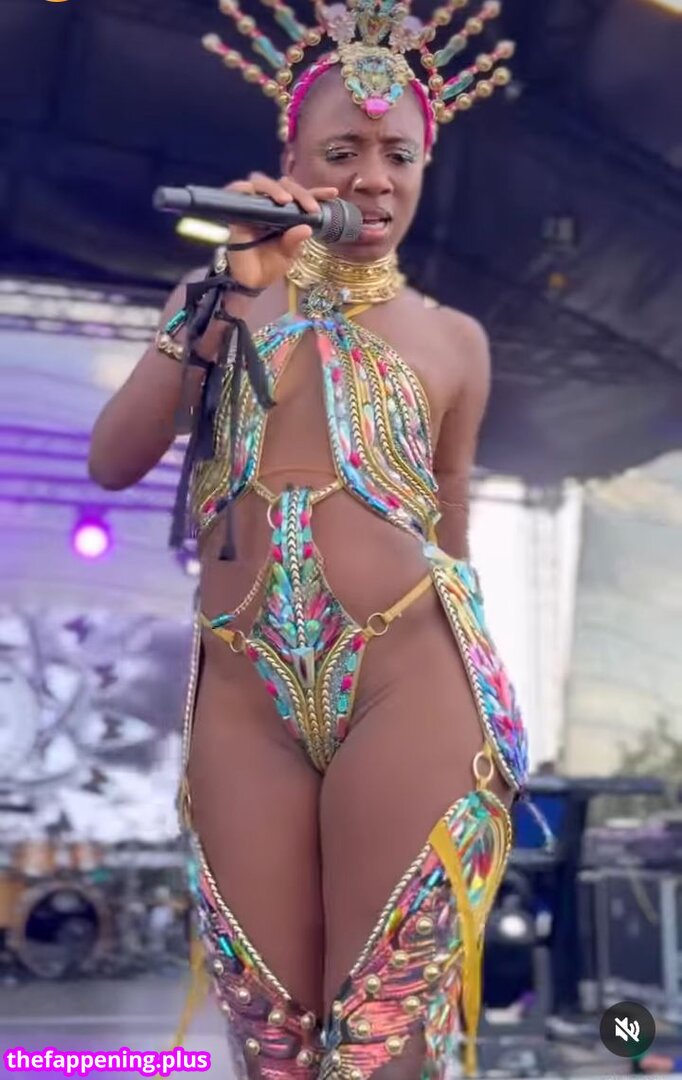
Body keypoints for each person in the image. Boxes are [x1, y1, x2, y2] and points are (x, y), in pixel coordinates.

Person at [89, 3, 529, 1078]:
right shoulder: (221, 298)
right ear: (289, 162)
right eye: (343, 153)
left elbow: (451, 524)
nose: (373, 180)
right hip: (246, 693)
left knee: (380, 1032)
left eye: (398, 155)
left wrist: (491, 689)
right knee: (270, 1034)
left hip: (406, 681)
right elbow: (112, 460)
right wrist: (225, 291)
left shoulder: (455, 341)